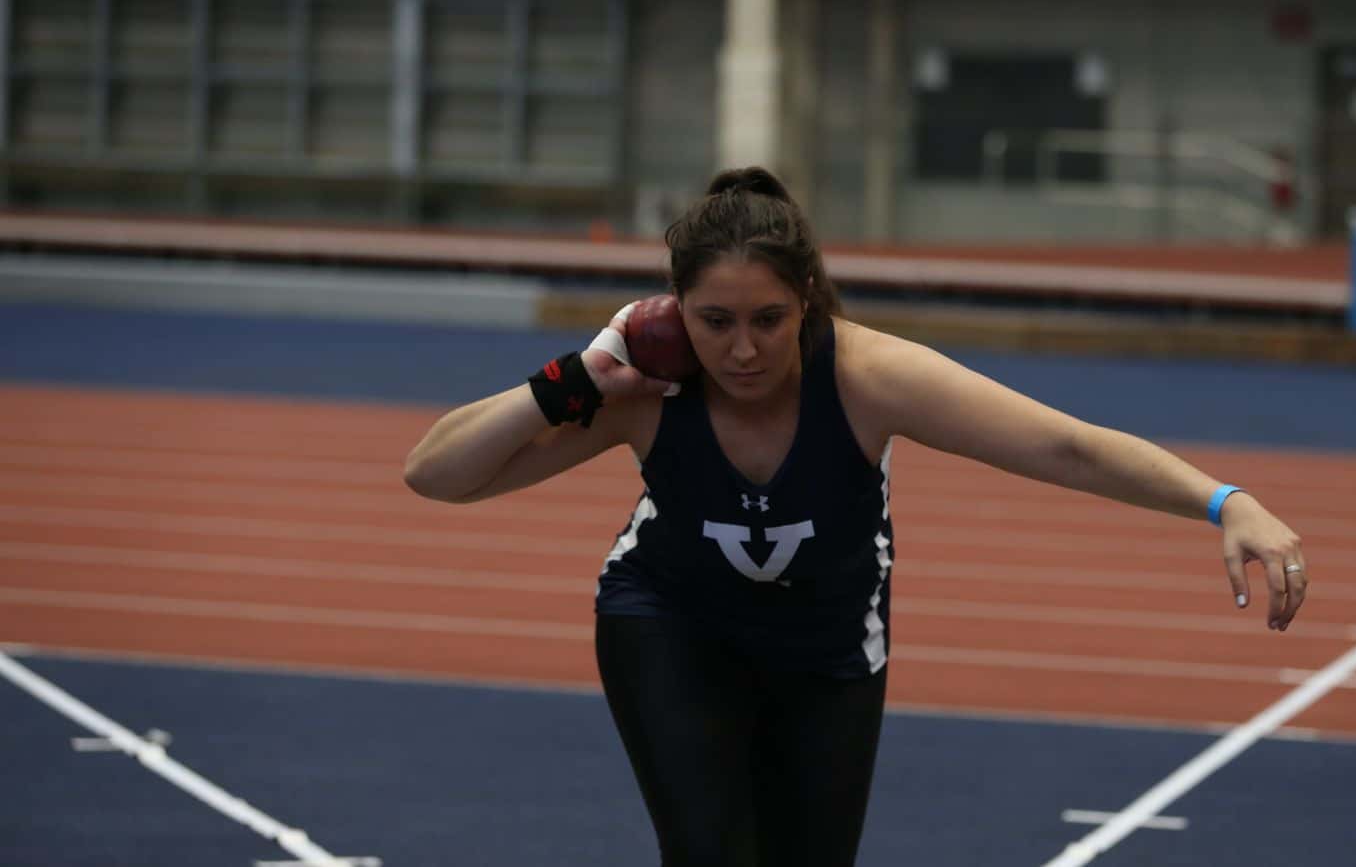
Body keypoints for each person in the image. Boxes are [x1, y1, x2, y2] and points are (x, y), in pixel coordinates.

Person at [402, 166, 1309, 867]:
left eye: (769, 318)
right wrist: (573, 380)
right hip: (670, 626)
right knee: (711, 854)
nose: (743, 349)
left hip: (829, 647)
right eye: (713, 320)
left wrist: (1227, 502)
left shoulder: (870, 379)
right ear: (675, 310)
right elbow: (438, 475)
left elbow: (1063, 447)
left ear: (809, 303)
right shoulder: (648, 389)